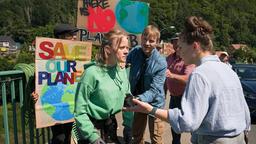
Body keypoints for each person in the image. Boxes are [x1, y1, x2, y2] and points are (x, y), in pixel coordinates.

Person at [124, 16, 250, 144]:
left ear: (194, 46)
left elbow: (187, 121)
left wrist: (151, 110)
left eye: (181, 47)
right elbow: (245, 114)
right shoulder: (228, 70)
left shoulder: (199, 74)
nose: (179, 51)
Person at [73, 29, 130, 144]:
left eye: (127, 48)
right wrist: (92, 136)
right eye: (121, 48)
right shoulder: (91, 74)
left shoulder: (121, 70)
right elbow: (79, 110)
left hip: (110, 126)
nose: (126, 51)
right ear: (108, 49)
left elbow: (126, 94)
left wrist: (130, 101)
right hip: (90, 129)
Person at [32, 23, 79, 144]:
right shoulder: (47, 57)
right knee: (59, 137)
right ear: (60, 37)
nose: (74, 37)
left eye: (74, 34)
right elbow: (41, 78)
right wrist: (36, 93)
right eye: (70, 35)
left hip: (71, 101)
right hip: (55, 101)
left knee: (69, 134)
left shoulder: (77, 55)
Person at [127, 25, 167, 144]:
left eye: (151, 41)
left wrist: (138, 99)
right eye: (145, 39)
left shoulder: (161, 62)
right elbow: (122, 65)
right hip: (138, 99)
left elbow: (155, 90)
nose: (147, 43)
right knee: (137, 135)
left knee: (156, 137)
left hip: (155, 103)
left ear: (157, 42)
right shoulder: (135, 52)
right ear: (141, 38)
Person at [165, 34, 195, 144]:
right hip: (173, 97)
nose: (176, 44)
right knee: (174, 124)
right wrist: (163, 94)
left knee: (192, 124)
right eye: (174, 42)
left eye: (178, 41)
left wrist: (172, 75)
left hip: (186, 98)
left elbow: (188, 79)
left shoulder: (187, 59)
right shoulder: (169, 58)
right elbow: (165, 78)